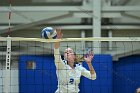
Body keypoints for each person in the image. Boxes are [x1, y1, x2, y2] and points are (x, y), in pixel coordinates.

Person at [54, 28, 96, 93]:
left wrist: (89, 63)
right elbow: (56, 51)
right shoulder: (61, 65)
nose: (67, 53)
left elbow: (93, 77)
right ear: (64, 57)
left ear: (74, 56)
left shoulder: (79, 68)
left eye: (70, 52)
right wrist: (58, 39)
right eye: (65, 52)